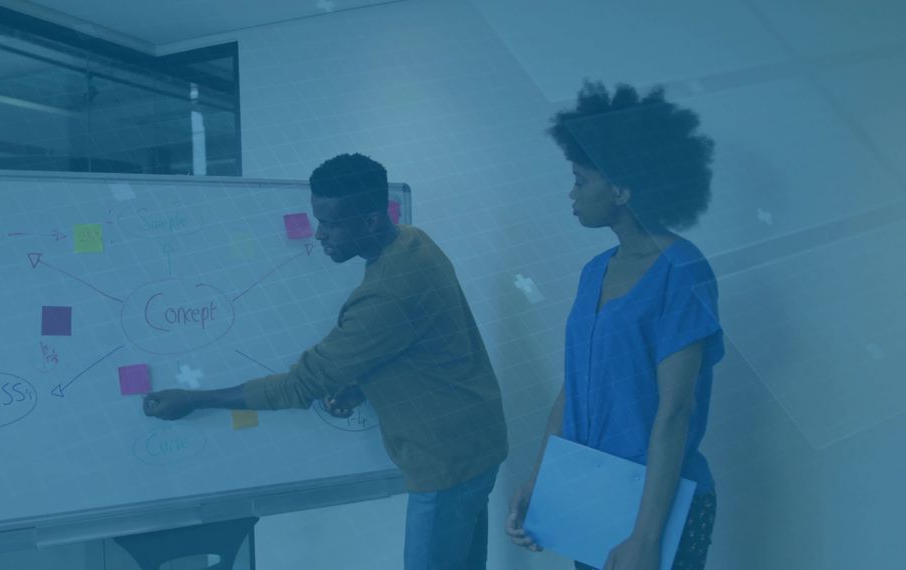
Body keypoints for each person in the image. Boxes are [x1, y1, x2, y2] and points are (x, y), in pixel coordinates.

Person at [144, 153, 509, 570]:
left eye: (330, 223)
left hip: (446, 462)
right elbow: (416, 342)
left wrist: (195, 399)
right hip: (476, 438)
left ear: (370, 221)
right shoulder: (413, 241)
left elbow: (302, 384)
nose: (319, 234)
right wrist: (360, 383)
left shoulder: (387, 292)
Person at [506, 82, 723, 570]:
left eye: (581, 180)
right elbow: (573, 389)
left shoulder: (682, 270)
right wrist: (540, 481)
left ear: (622, 191)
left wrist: (645, 537)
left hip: (657, 507)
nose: (572, 193)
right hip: (595, 493)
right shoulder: (594, 271)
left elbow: (676, 410)